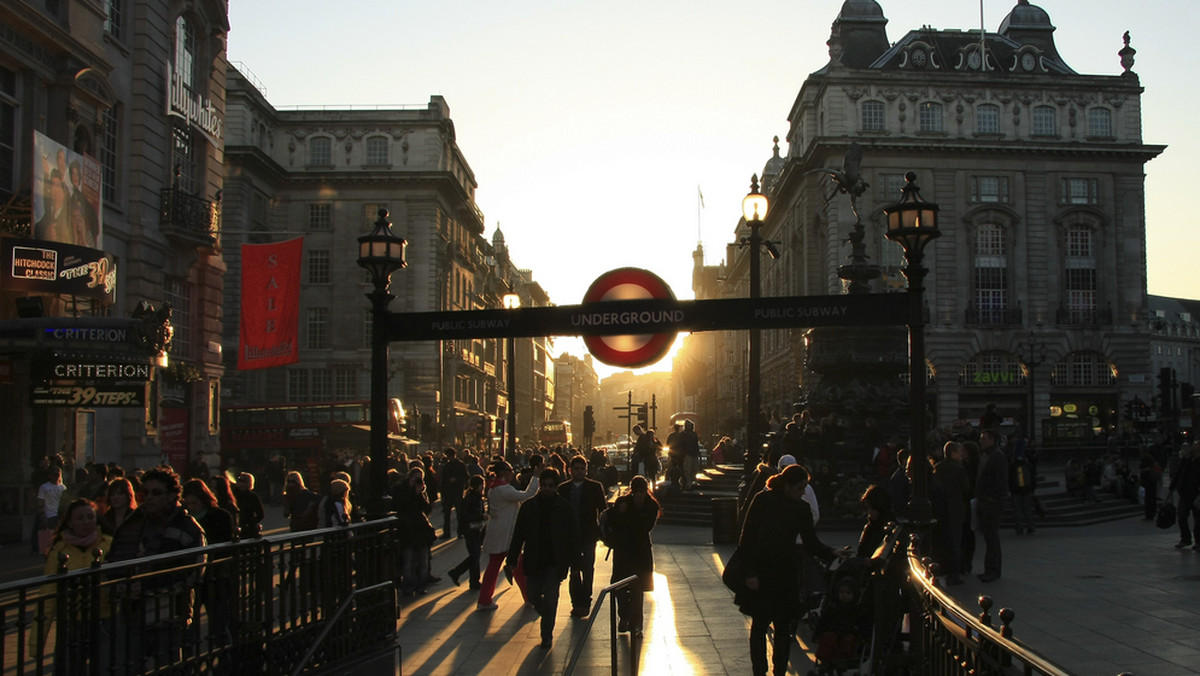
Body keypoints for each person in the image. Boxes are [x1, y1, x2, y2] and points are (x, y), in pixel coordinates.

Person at [738, 464, 847, 676]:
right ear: (786, 486)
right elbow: (747, 537)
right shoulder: (763, 500)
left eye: (805, 488)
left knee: (782, 626)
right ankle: (759, 670)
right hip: (762, 569)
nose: (803, 492)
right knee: (760, 625)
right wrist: (750, 572)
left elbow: (810, 542)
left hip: (786, 571)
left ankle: (779, 670)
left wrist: (833, 552)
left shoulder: (801, 509)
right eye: (799, 488)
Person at [107, 467, 206, 665]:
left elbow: (193, 571)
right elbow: (114, 557)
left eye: (156, 493)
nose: (149, 498)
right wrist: (118, 583)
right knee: (129, 665)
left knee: (168, 666)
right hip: (133, 611)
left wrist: (146, 586)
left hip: (169, 614)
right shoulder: (134, 522)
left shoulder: (187, 527)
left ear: (171, 496)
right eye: (145, 493)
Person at [29, 498, 113, 661]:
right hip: (72, 622)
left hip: (104, 619)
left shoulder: (108, 544)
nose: (86, 522)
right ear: (70, 522)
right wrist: (37, 642)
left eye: (90, 517)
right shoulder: (59, 551)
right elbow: (48, 595)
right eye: (80, 518)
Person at [506, 468, 579, 649]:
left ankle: (546, 634)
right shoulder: (529, 507)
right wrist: (512, 558)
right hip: (534, 558)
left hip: (555, 560)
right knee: (532, 595)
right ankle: (547, 614)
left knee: (552, 597)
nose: (547, 489)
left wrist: (576, 562)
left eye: (551, 486)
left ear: (555, 487)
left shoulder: (564, 507)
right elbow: (518, 534)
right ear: (540, 485)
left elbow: (573, 536)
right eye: (545, 485)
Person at [477, 460, 538, 610]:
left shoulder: (494, 488)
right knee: (517, 565)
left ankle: (485, 599)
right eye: (510, 470)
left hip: (498, 531)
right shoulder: (504, 489)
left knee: (494, 567)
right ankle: (530, 597)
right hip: (506, 533)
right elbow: (527, 495)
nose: (513, 473)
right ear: (503, 472)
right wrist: (536, 478)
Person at [607, 475, 660, 637]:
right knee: (620, 588)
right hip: (623, 551)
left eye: (642, 492)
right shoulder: (622, 503)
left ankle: (636, 624)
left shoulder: (651, 506)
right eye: (636, 492)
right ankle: (624, 616)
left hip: (640, 553)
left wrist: (629, 514)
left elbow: (645, 527)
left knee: (637, 590)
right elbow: (613, 522)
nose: (639, 495)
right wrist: (619, 512)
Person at [558, 455, 608, 619]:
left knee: (588, 568)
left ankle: (585, 600)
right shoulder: (563, 489)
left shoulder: (595, 487)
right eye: (577, 469)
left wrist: (604, 530)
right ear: (570, 470)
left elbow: (603, 510)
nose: (580, 472)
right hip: (570, 536)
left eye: (582, 469)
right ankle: (576, 603)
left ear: (586, 470)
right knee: (574, 570)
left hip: (588, 534)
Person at [392, 466, 436, 595]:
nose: (418, 481)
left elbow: (425, 509)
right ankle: (408, 586)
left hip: (420, 527)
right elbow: (401, 506)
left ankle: (421, 585)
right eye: (417, 478)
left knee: (423, 560)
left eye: (421, 479)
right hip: (407, 528)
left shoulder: (419, 491)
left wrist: (420, 493)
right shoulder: (400, 489)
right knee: (408, 560)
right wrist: (413, 493)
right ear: (410, 477)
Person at [974, 429, 1008, 582]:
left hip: (992, 502)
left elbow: (1001, 481)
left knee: (992, 536)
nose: (981, 441)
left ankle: (993, 569)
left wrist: (991, 498)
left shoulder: (997, 457)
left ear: (992, 440)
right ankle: (990, 568)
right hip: (986, 501)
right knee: (989, 536)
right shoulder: (986, 455)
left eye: (984, 438)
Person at [933, 441, 970, 585]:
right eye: (959, 451)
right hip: (955, 510)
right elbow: (965, 488)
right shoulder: (958, 469)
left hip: (941, 510)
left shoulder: (938, 468)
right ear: (953, 453)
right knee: (955, 543)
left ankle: (943, 568)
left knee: (944, 542)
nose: (961, 455)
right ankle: (954, 573)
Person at [447, 474, 487, 589]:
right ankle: (468, 578)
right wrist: (481, 517)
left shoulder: (475, 497)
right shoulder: (472, 498)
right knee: (475, 555)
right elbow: (466, 515)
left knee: (475, 555)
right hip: (470, 529)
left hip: (474, 529)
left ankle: (464, 576)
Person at [1167, 443, 1200, 549]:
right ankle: (1185, 539)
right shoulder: (1187, 460)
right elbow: (1179, 473)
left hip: (1197, 493)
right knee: (1182, 516)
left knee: (1198, 519)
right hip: (1185, 492)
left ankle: (1198, 541)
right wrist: (1172, 488)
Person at [438, 448, 469, 539]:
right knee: (449, 514)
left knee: (458, 513)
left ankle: (459, 532)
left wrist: (456, 480)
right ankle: (449, 532)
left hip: (456, 491)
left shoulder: (459, 465)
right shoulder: (448, 466)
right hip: (451, 492)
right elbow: (443, 480)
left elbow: (465, 477)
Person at [36, 466, 67, 556]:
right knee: (49, 534)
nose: (57, 476)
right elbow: (40, 501)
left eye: (58, 474)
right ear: (50, 475)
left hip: (59, 514)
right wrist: (42, 515)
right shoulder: (44, 487)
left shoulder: (63, 487)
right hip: (49, 514)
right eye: (54, 474)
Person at [233, 472, 265, 538]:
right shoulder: (233, 495)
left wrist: (251, 523)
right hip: (235, 526)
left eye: (244, 481)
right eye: (239, 480)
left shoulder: (253, 496)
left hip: (248, 527)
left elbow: (260, 514)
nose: (241, 483)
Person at [677, 420, 701, 490]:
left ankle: (692, 482)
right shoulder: (682, 435)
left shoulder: (694, 434)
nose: (690, 427)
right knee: (687, 470)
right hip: (687, 455)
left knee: (694, 470)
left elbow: (696, 444)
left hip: (694, 454)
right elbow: (680, 445)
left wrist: (697, 452)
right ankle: (688, 484)